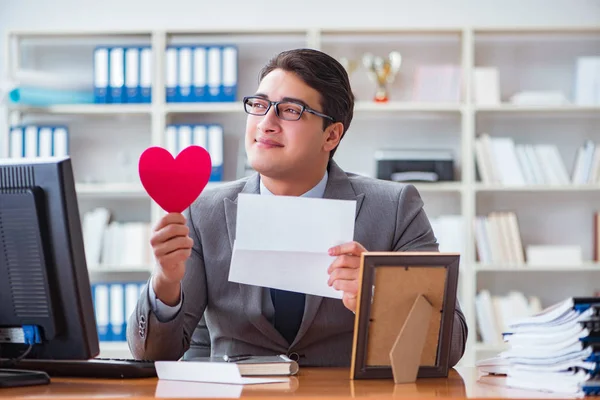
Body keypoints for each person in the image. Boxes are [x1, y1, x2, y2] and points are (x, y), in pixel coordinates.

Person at [127, 48, 468, 367]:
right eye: (259, 105)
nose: (266, 123)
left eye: (290, 110)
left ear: (331, 136)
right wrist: (165, 283)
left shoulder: (394, 209)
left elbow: (449, 346)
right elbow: (153, 354)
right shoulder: (204, 212)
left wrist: (377, 295)